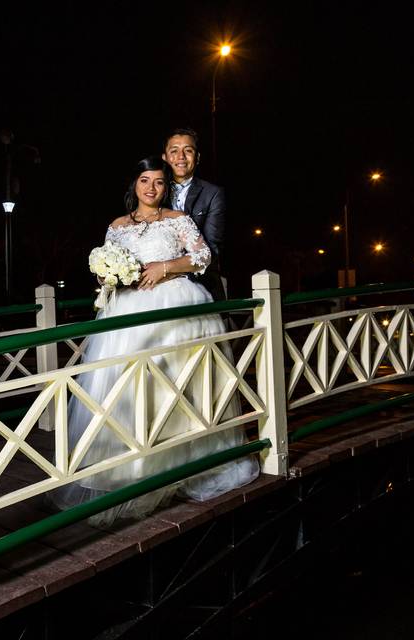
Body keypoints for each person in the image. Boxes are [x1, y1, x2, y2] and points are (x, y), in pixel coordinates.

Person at [50, 156, 258, 526]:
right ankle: (131, 468)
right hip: (128, 312)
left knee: (178, 384)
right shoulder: (116, 226)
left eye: (159, 182)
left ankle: (184, 461)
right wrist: (110, 276)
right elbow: (104, 271)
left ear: (166, 188)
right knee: (125, 384)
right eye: (144, 181)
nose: (151, 188)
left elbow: (203, 256)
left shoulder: (178, 220)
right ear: (134, 185)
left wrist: (166, 267)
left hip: (175, 303)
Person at [162, 128, 228, 300]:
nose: (181, 156)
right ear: (165, 158)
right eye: (174, 151)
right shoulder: (153, 191)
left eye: (188, 150)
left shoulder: (213, 193)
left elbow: (212, 248)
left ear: (197, 158)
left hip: (201, 286)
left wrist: (170, 270)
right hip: (158, 287)